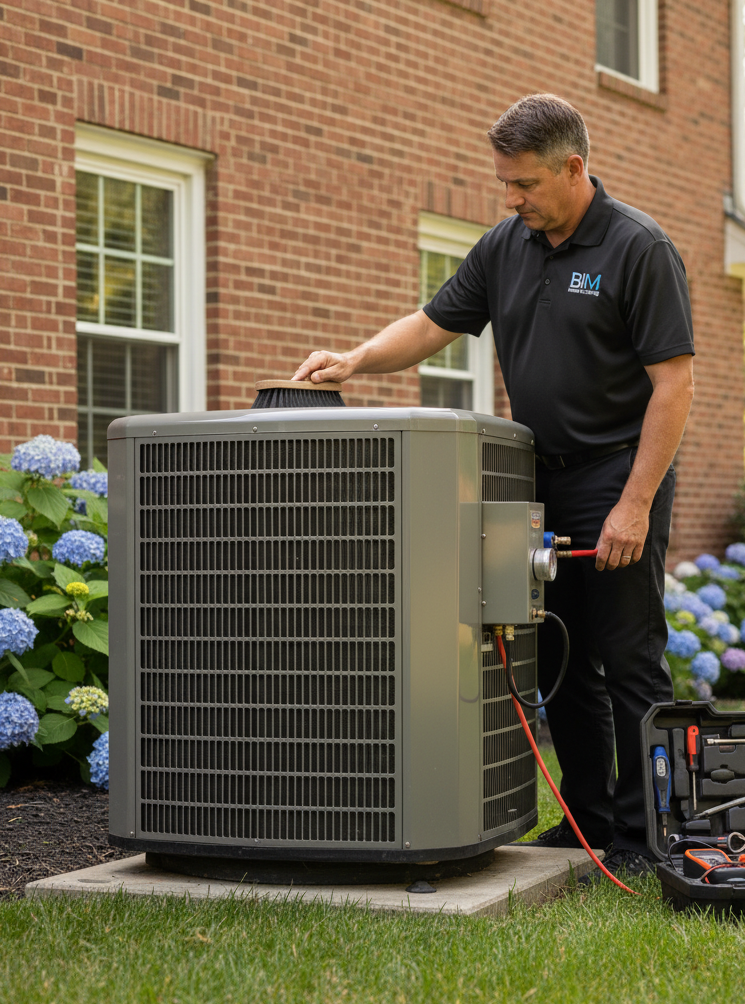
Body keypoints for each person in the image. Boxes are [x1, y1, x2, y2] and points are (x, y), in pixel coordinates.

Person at [292, 93, 694, 879]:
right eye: (504, 183)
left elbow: (674, 387)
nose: (510, 198)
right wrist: (355, 360)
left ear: (575, 169)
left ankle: (650, 836)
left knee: (628, 656)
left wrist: (635, 503)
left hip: (618, 474)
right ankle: (588, 822)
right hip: (535, 480)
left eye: (525, 184)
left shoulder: (639, 248)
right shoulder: (507, 245)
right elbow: (433, 321)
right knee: (557, 655)